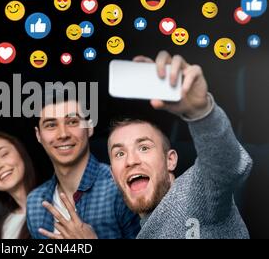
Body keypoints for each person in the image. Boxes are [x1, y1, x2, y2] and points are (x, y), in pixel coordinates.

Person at [108, 51, 253, 239]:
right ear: (113, 175)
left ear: (170, 160)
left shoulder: (194, 195)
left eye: (144, 147)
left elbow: (225, 166)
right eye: (119, 153)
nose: (131, 161)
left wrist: (201, 113)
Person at [27, 88, 141, 239]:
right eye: (51, 125)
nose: (63, 134)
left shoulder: (120, 186)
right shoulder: (34, 203)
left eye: (72, 121)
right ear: (38, 135)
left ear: (90, 127)